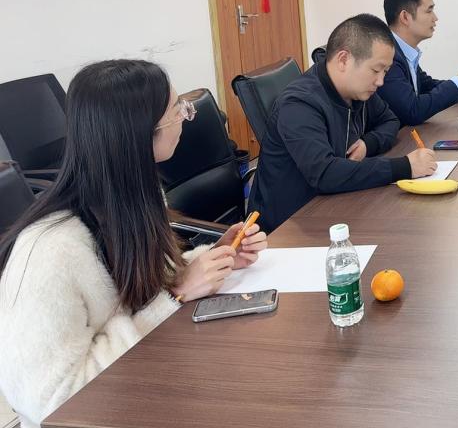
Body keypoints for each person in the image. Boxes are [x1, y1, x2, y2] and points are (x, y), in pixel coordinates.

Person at [0, 60, 267, 428]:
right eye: (178, 110)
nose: (186, 117)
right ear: (142, 133)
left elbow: (144, 285)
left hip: (150, 384)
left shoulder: (135, 196)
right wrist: (175, 297)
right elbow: (52, 400)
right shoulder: (48, 252)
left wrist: (215, 256)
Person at [248, 13, 437, 233]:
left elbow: (390, 120)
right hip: (289, 227)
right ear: (344, 60)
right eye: (376, 70)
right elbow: (324, 173)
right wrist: (405, 167)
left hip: (337, 205)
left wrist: (368, 144)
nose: (380, 81)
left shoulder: (357, 89)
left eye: (385, 72)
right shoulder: (299, 104)